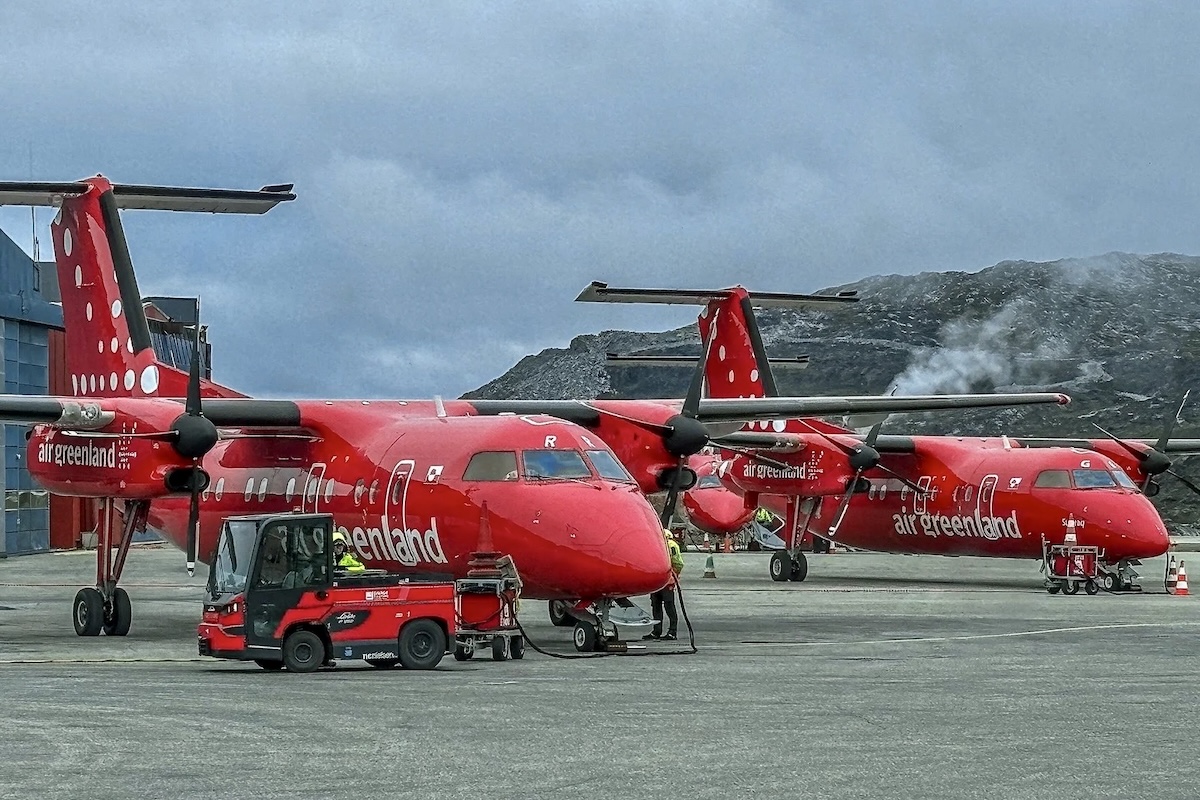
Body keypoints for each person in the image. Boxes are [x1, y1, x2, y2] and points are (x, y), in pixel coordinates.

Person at [644, 529, 683, 641]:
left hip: (667, 581)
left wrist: (673, 575)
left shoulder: (671, 546)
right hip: (657, 581)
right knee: (657, 606)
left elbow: (678, 563)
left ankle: (672, 631)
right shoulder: (656, 545)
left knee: (668, 606)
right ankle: (657, 631)